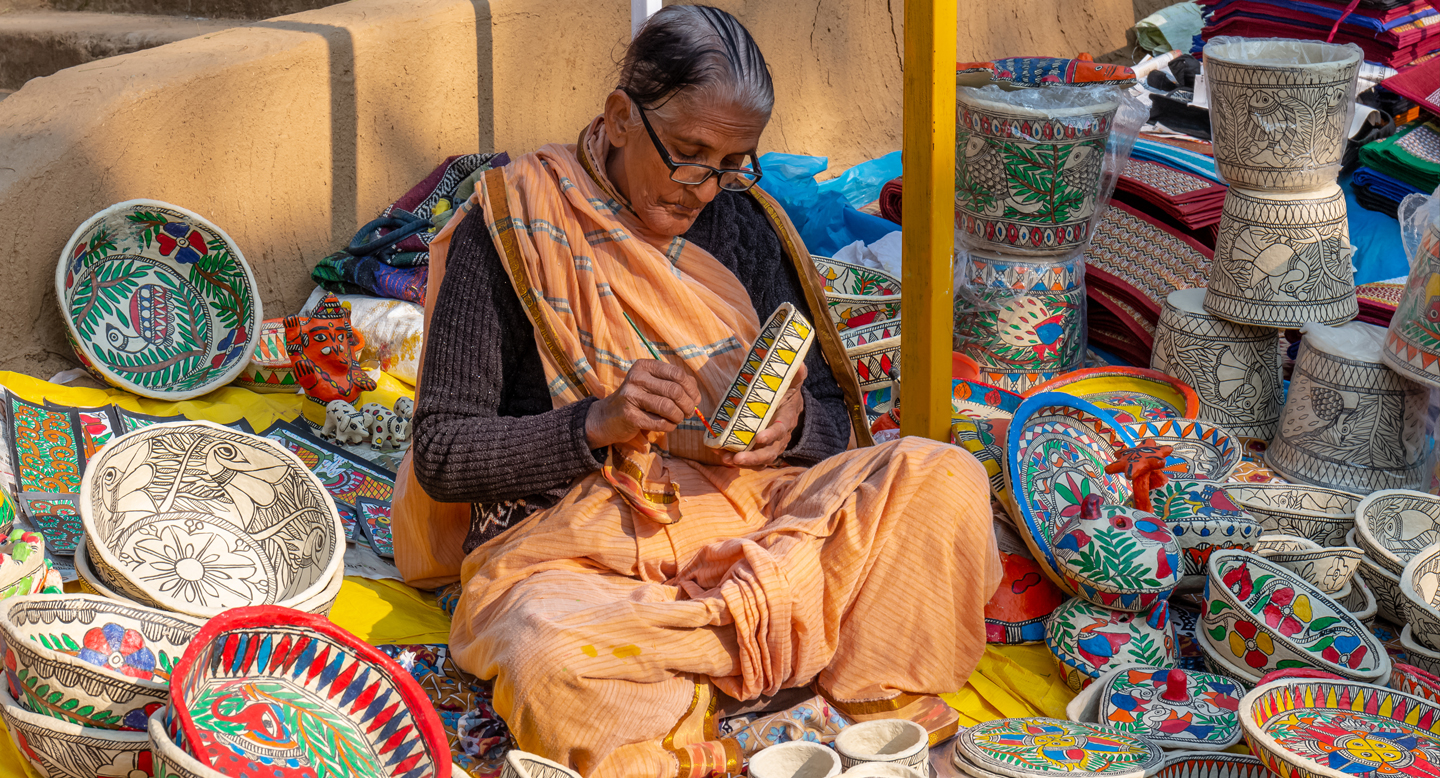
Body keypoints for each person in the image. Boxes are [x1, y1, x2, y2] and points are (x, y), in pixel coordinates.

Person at [400, 6, 1002, 777]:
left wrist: (791, 431)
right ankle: (729, 698)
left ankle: (852, 698)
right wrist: (596, 424)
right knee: (556, 659)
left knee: (942, 478)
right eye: (688, 155)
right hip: (583, 555)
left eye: (733, 162)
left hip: (753, 521)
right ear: (620, 119)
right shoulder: (516, 225)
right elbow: (445, 453)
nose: (706, 188)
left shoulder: (743, 224)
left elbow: (835, 427)